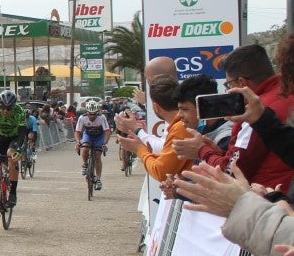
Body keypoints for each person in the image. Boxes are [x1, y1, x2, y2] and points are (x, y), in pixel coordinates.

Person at [175, 44, 294, 191]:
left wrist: (202, 150)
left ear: (242, 83)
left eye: (228, 85)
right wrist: (217, 153)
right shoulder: (286, 95)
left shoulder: (253, 113)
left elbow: (231, 172)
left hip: (267, 198)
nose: (229, 91)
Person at [114, 76, 191, 184]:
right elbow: (164, 148)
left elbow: (161, 171)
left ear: (156, 107)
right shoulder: (179, 123)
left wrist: (139, 147)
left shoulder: (181, 127)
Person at [74, 100, 110, 190]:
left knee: (98, 156)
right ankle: (85, 164)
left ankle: (98, 179)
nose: (92, 116)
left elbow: (107, 131)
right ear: (87, 112)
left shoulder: (102, 117)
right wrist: (78, 142)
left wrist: (105, 143)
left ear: (97, 112)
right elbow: (77, 132)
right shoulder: (82, 118)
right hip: (88, 135)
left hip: (99, 136)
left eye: (94, 114)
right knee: (85, 148)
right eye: (90, 114)